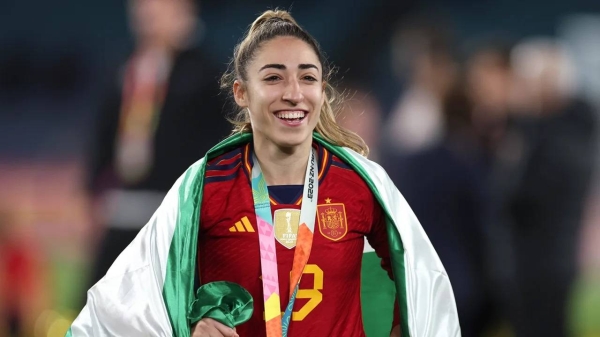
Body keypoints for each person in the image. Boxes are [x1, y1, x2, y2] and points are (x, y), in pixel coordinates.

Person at [68, 10, 460, 337]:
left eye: (307, 77)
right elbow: (115, 311)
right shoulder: (203, 186)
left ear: (322, 90)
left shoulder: (363, 183)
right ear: (241, 93)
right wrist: (188, 326)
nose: (293, 92)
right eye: (273, 77)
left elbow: (426, 290)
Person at [85, 0, 229, 290]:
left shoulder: (206, 74)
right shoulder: (127, 67)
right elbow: (103, 132)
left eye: (156, 6)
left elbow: (218, 141)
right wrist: (92, 189)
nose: (145, 13)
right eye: (140, 6)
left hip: (174, 212)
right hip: (122, 208)